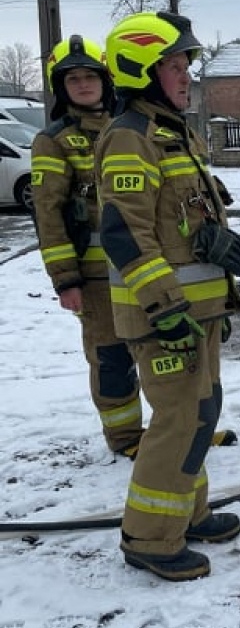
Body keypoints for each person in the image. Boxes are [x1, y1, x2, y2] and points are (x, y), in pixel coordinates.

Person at [97, 10, 240, 582]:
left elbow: (180, 223)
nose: (187, 75)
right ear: (142, 70)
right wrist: (166, 308)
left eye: (187, 64)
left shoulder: (171, 133)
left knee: (200, 413)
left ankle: (188, 513)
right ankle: (149, 538)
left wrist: (215, 281)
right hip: (163, 315)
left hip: (195, 312)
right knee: (179, 418)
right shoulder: (129, 136)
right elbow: (125, 232)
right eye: (175, 65)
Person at [31, 35, 143, 457]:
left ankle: (179, 430)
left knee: (163, 352)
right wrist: (66, 280)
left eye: (89, 76)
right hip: (96, 280)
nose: (82, 85)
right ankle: (126, 437)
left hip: (145, 267)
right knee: (112, 358)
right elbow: (48, 214)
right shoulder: (54, 140)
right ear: (61, 87)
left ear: (104, 80)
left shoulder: (128, 128)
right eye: (72, 79)